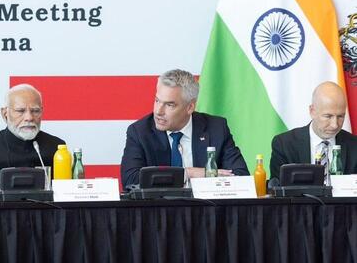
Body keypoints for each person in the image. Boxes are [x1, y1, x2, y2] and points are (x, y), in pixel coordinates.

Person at [120, 69, 249, 187]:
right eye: (157, 101)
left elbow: (241, 176)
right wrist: (188, 173)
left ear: (190, 107)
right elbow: (130, 180)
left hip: (207, 210)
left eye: (169, 105)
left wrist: (207, 175)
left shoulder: (216, 128)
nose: (158, 111)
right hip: (160, 211)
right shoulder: (140, 132)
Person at [0, 84, 66, 197]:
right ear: (4, 113)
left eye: (35, 111)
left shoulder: (58, 148)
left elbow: (70, 197)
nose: (29, 117)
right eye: (20, 111)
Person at [270, 81, 357, 180]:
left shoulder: (354, 145)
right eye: (328, 116)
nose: (335, 125)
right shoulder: (284, 144)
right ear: (312, 111)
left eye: (340, 116)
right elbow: (277, 190)